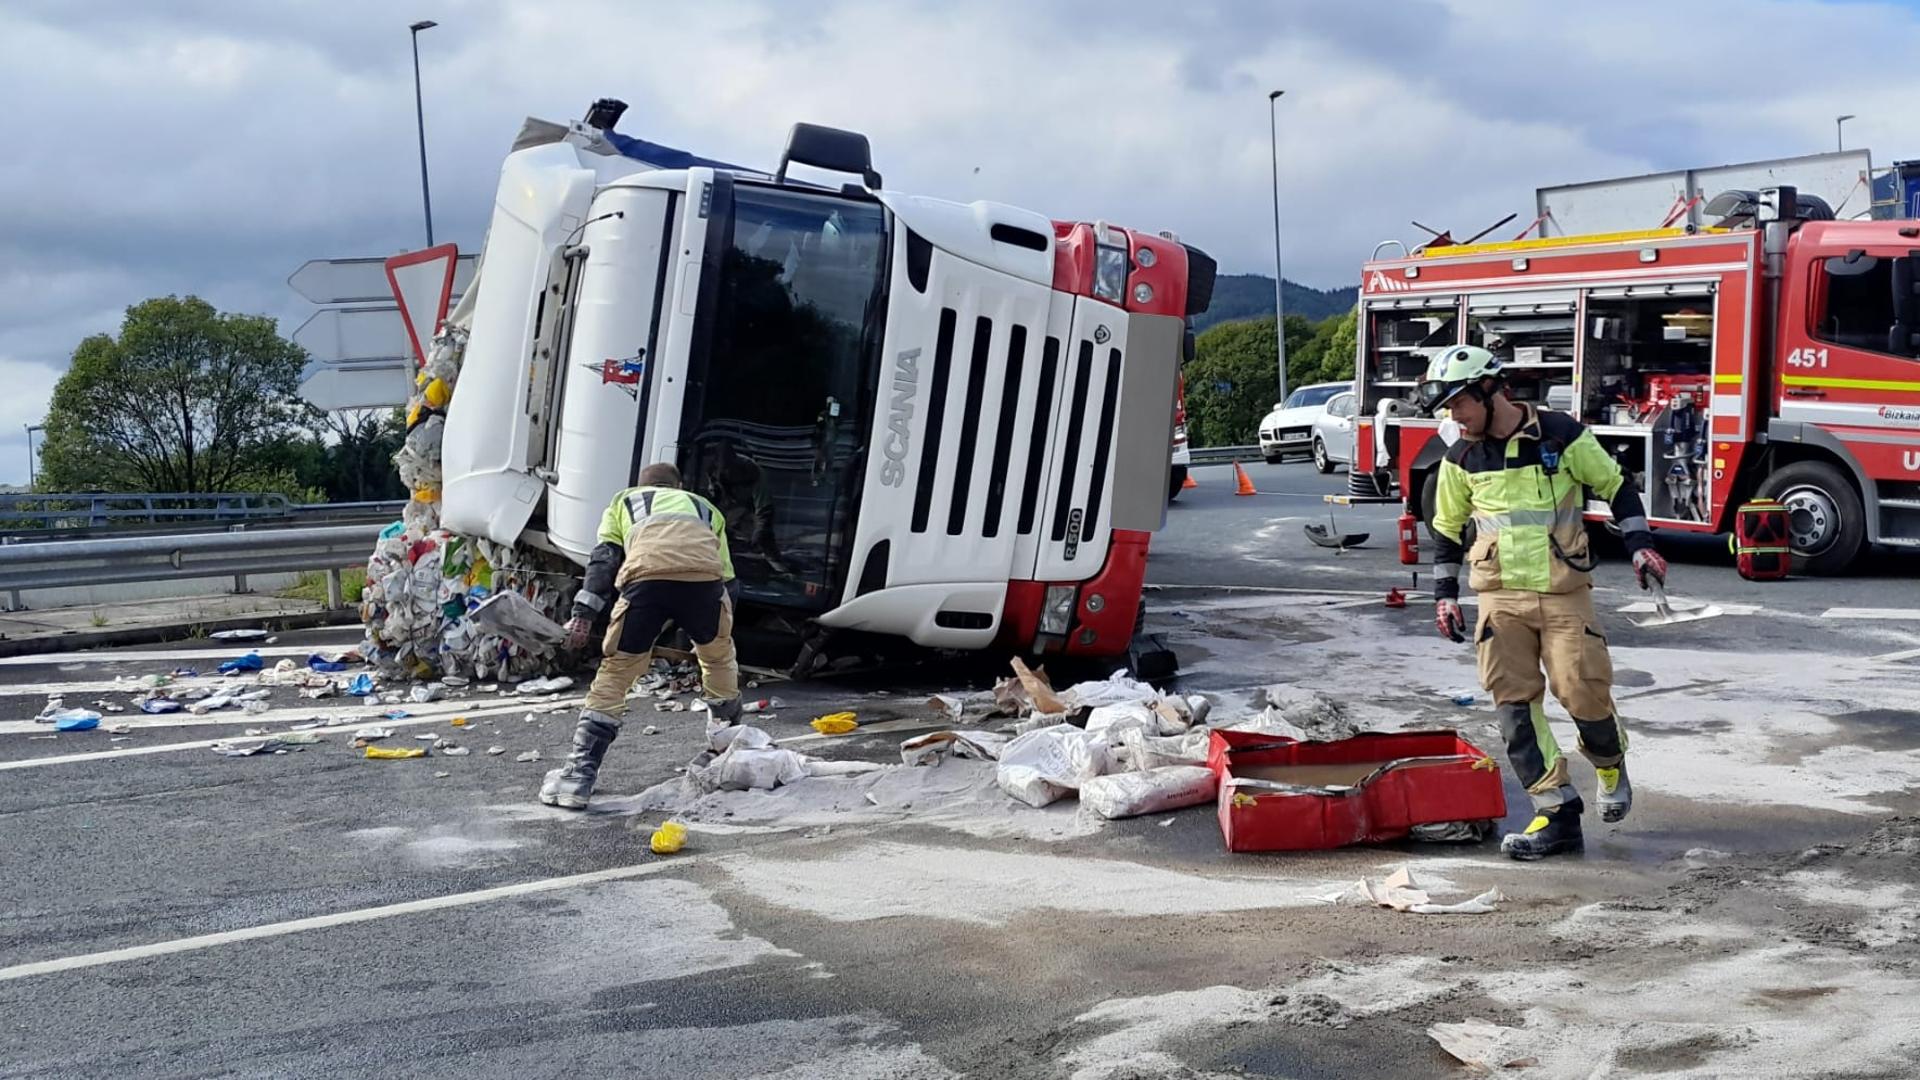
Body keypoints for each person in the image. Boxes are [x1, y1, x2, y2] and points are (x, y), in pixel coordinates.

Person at [1419, 346, 1668, 860]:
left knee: (1583, 692)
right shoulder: (1460, 457)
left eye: (1460, 403)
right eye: (1447, 408)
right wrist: (1445, 597)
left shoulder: (1561, 434)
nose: (1454, 416)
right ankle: (1556, 812)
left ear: (1491, 391)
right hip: (1499, 596)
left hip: (1562, 593)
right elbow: (1445, 531)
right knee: (1514, 709)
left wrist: (1640, 545)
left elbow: (1616, 487)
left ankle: (1608, 763)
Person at [539, 462, 743, 809]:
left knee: (616, 673)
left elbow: (604, 559)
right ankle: (726, 755)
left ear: (642, 485)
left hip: (644, 582)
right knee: (718, 662)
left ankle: (578, 778)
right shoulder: (705, 508)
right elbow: (728, 579)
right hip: (705, 585)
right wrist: (713, 630)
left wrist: (583, 615)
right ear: (678, 486)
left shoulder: (624, 501)